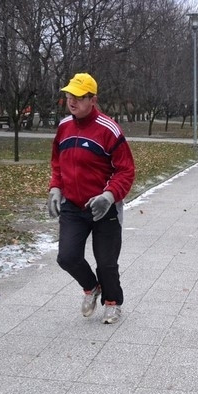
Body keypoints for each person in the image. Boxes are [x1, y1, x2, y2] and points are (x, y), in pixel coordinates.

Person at [47, 72, 136, 325]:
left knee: (107, 262)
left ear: (93, 99)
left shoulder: (109, 129)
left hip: (103, 207)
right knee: (67, 257)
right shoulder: (64, 126)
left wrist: (109, 196)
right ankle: (91, 287)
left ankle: (112, 302)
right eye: (68, 96)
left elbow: (126, 170)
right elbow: (57, 163)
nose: (71, 101)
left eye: (78, 97)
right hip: (74, 206)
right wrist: (55, 188)